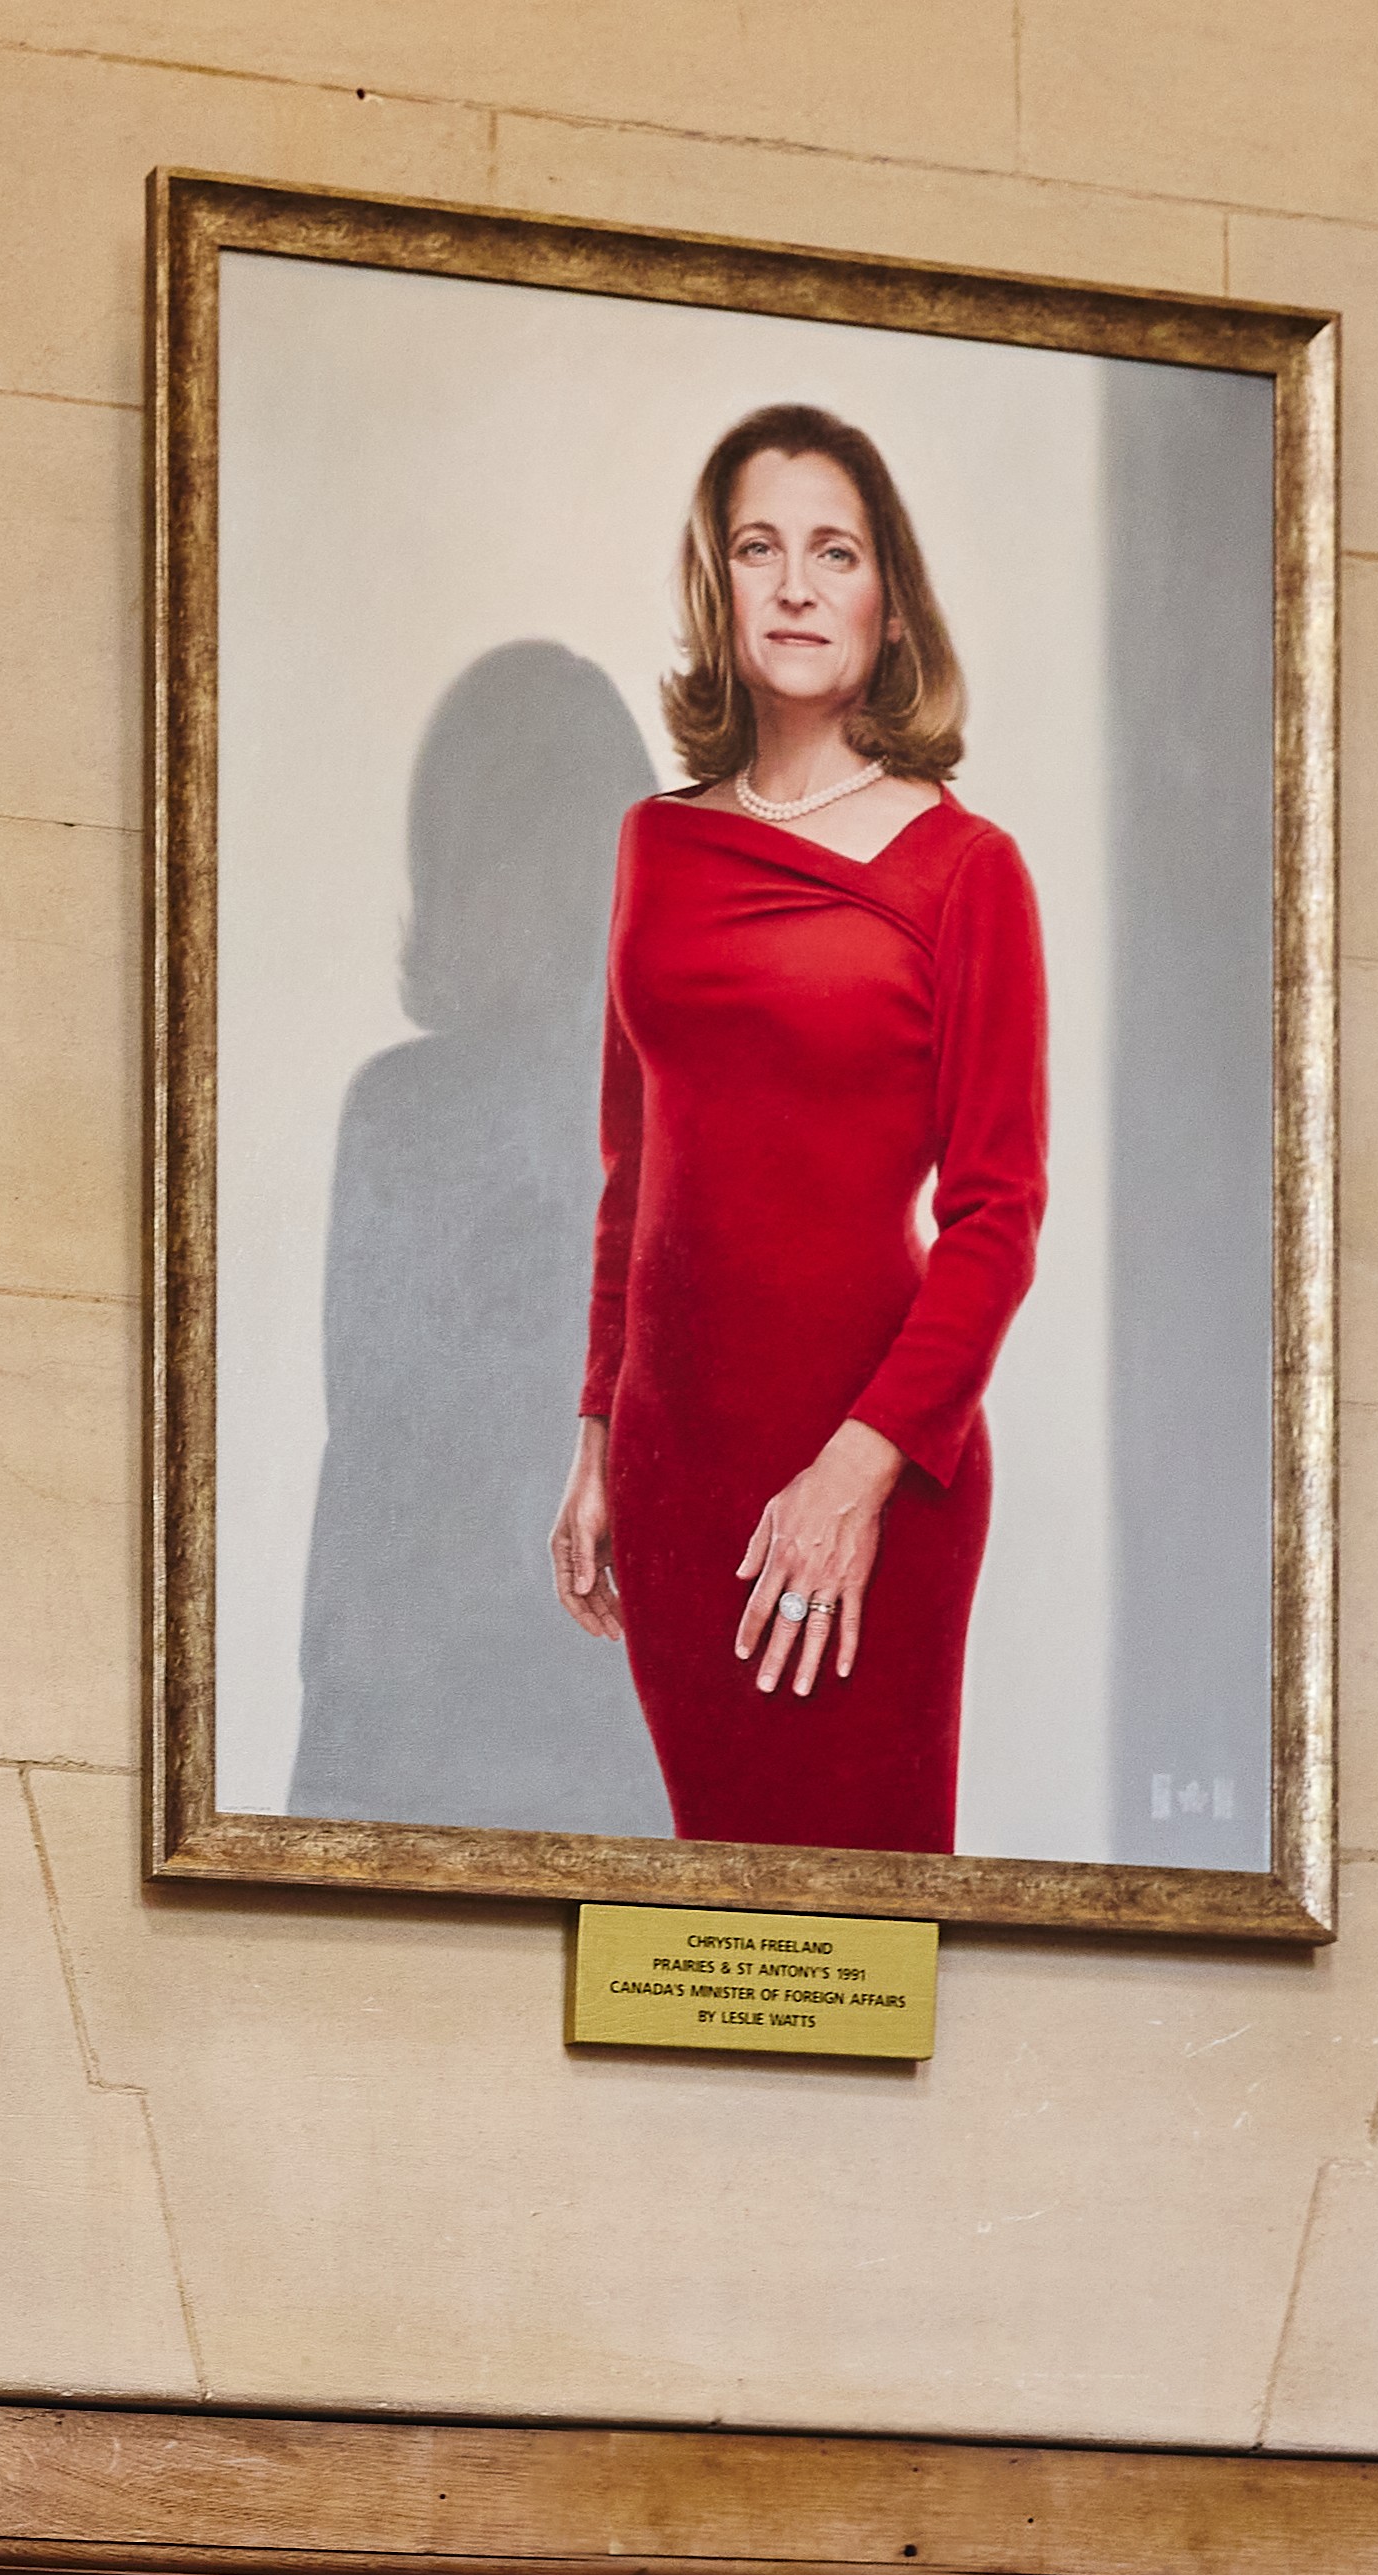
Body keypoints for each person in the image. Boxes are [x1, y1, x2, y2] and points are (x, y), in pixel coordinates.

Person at [549, 404, 1048, 1856]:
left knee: (868, 1920)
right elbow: (629, 1174)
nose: (794, 584)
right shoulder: (662, 844)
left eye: (834, 552)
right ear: (720, 586)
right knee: (717, 1892)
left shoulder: (969, 871)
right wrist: (593, 1434)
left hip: (873, 1473)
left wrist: (855, 1472)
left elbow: (999, 1214)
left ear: (890, 604)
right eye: (758, 548)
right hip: (671, 1465)